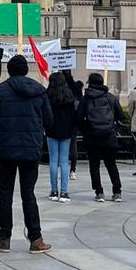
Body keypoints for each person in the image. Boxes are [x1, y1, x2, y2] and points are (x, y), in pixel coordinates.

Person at [0, 54, 53, 253]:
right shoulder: (39, 91)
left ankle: (4, 239)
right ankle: (35, 238)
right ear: (25, 70)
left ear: (9, 70)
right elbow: (49, 121)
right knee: (28, 194)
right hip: (31, 148)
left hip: (6, 148)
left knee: (5, 193)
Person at [78, 72, 123, 202]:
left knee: (94, 166)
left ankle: (99, 192)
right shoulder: (111, 98)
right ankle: (117, 192)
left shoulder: (85, 99)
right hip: (109, 136)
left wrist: (86, 129)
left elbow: (79, 118)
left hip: (92, 137)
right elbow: (120, 115)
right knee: (111, 164)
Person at [46, 70, 78, 201]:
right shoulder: (69, 97)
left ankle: (54, 191)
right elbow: (74, 116)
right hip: (66, 131)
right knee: (64, 161)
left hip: (52, 130)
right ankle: (64, 192)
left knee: (53, 160)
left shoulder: (48, 96)